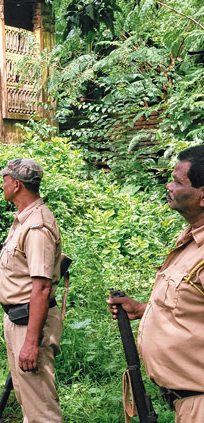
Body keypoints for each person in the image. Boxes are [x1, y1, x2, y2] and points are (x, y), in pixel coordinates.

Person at [108, 146, 204, 422]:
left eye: (177, 181)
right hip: (185, 404)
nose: (168, 185)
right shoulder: (189, 240)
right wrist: (142, 309)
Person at [0, 158, 63, 423]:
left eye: (4, 179)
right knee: (29, 403)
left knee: (41, 409)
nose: (2, 184)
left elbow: (42, 288)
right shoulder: (24, 220)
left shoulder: (37, 226)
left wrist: (31, 343)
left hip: (30, 323)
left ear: (16, 184)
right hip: (18, 318)